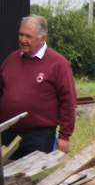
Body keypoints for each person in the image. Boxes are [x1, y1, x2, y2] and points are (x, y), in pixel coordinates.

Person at [0, 15, 78, 158]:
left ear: (43, 38)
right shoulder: (11, 60)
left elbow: (68, 101)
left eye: (28, 36)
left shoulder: (58, 64)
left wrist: (64, 136)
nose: (23, 40)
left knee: (35, 179)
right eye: (21, 34)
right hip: (8, 136)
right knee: (6, 178)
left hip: (39, 138)